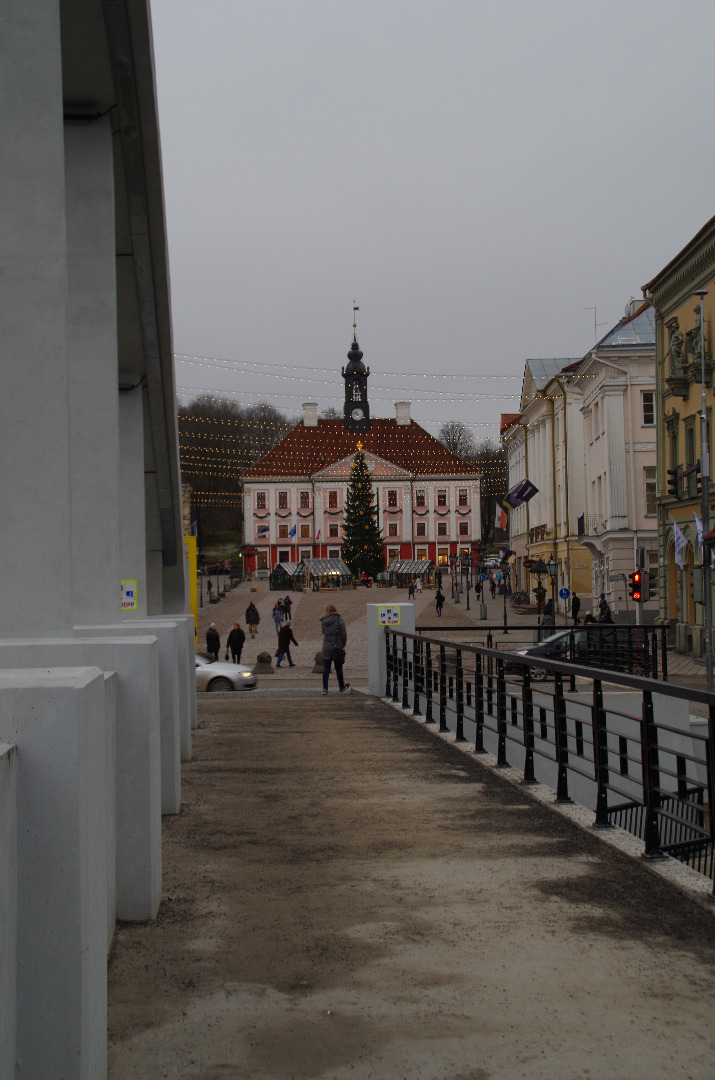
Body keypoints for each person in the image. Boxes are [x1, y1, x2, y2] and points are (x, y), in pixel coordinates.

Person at [320, 603, 350, 695]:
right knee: (338, 669)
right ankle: (341, 686)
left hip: (326, 646)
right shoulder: (339, 620)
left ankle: (325, 688)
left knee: (326, 669)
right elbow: (344, 634)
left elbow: (323, 632)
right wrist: (342, 644)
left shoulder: (323, 621)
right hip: (337, 646)